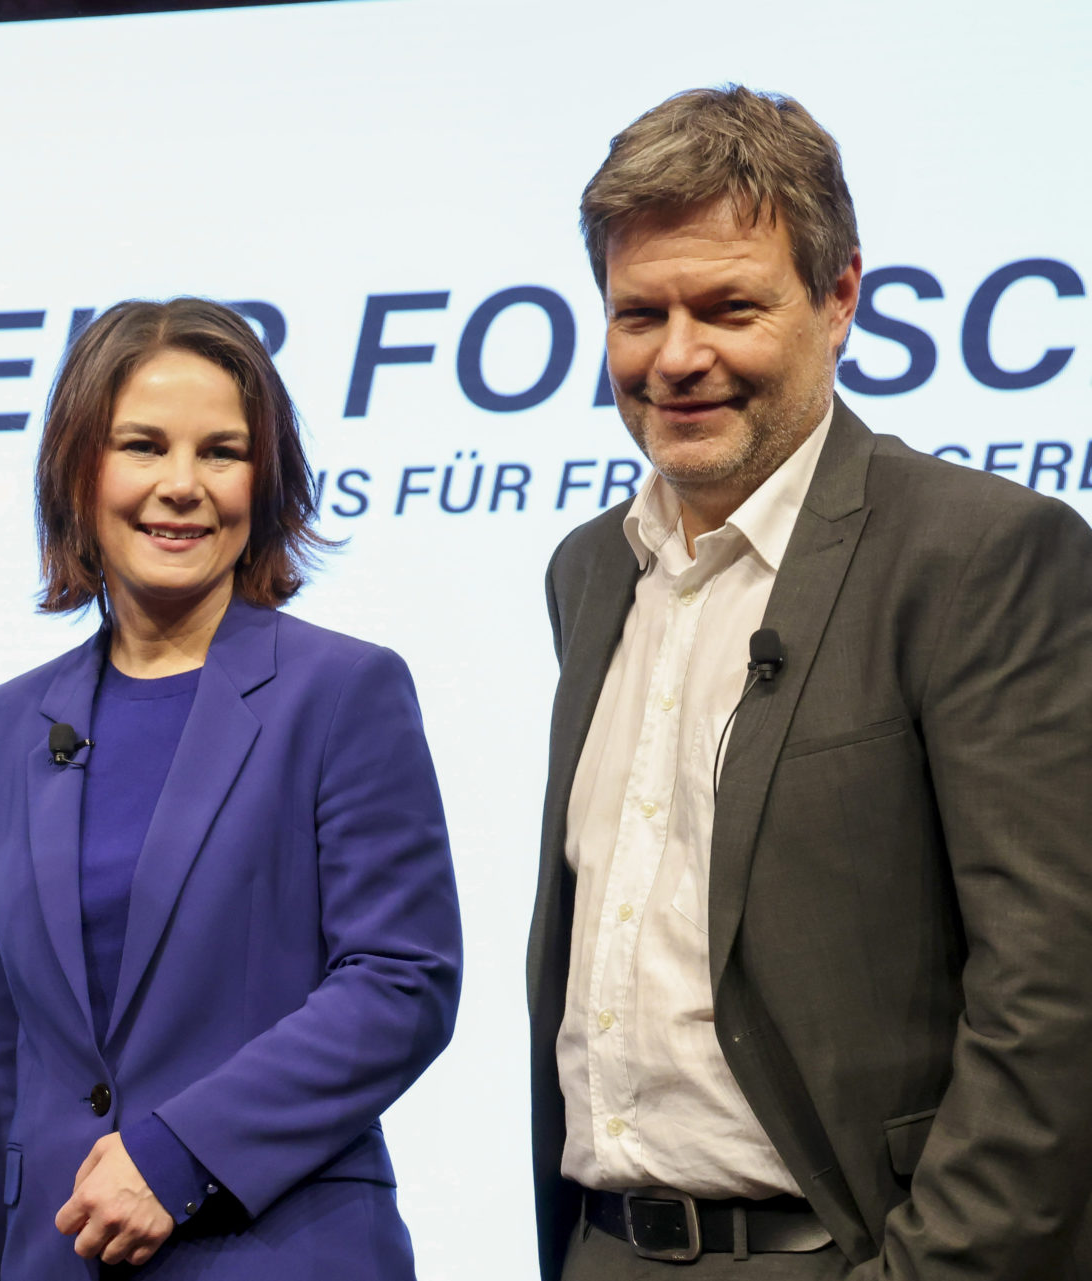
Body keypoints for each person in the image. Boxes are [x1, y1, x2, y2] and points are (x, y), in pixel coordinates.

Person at [529, 86, 1092, 1279]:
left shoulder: (978, 556)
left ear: (839, 300)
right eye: (639, 314)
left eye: (728, 307)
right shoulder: (588, 572)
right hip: (602, 1247)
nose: (675, 358)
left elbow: (1055, 991)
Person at [0, 297, 462, 1280]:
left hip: (279, 1253)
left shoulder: (344, 691)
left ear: (263, 482)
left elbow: (400, 982)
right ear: (77, 471)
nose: (181, 486)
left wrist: (175, 1157)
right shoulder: (0, 728)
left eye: (220, 452)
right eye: (142, 445)